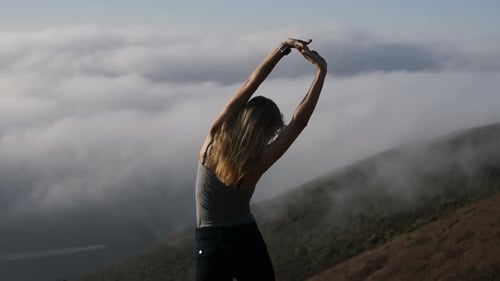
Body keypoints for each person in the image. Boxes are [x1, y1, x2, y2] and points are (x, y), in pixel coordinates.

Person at [195, 38, 327, 281]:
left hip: (211, 242)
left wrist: (282, 48)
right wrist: (321, 72)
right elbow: (299, 123)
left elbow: (251, 83)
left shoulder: (212, 141)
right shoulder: (256, 163)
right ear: (266, 132)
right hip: (246, 239)